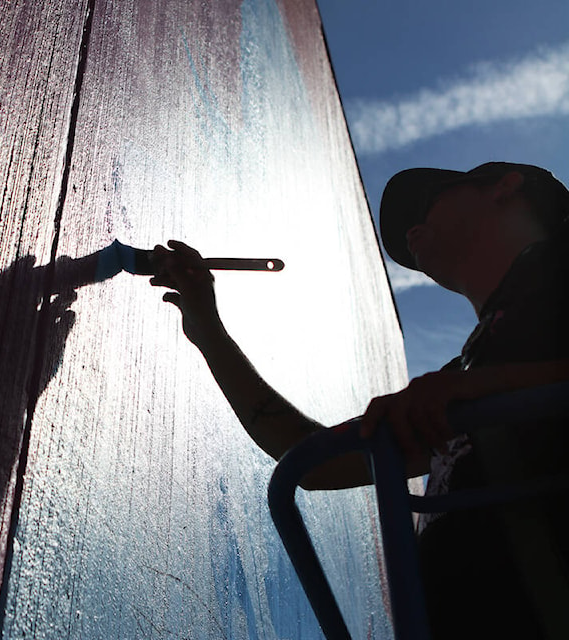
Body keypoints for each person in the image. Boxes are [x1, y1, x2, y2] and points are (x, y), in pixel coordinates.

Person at [150, 162, 569, 638]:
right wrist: (208, 331)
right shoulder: (464, 376)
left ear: (506, 186)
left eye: (429, 198)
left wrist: (474, 390)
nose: (410, 231)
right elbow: (314, 462)